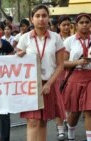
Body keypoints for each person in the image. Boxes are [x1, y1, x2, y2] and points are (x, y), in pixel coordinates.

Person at [17, 5, 64, 141]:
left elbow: (60, 65)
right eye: (37, 16)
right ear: (32, 19)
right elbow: (17, 62)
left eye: (44, 15)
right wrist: (20, 56)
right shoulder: (25, 38)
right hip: (30, 85)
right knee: (32, 121)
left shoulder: (56, 38)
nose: (41, 19)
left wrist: (49, 83)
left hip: (49, 84)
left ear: (48, 18)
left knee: (43, 121)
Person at [63, 13, 91, 141]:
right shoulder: (69, 41)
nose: (85, 25)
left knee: (90, 110)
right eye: (81, 22)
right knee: (75, 112)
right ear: (76, 25)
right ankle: (70, 131)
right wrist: (77, 62)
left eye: (87, 22)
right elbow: (63, 63)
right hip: (75, 76)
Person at [55, 15, 72, 141]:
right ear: (58, 26)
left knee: (70, 103)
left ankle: (69, 123)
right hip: (58, 74)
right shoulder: (55, 39)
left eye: (68, 24)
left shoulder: (75, 38)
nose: (66, 27)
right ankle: (60, 130)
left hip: (73, 74)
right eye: (63, 25)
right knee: (59, 103)